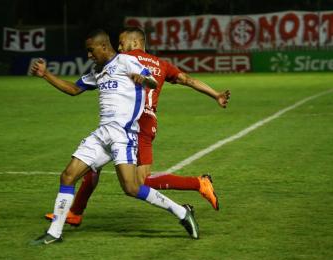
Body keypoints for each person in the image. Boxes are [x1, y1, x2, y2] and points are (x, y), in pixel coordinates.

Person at [47, 27, 231, 227]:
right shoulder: (161, 64)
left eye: (121, 42)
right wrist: (216, 94)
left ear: (134, 43)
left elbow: (90, 82)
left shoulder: (124, 60)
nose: (119, 47)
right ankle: (75, 211)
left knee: (137, 183)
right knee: (92, 164)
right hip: (140, 121)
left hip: (134, 123)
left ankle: (197, 184)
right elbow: (188, 80)